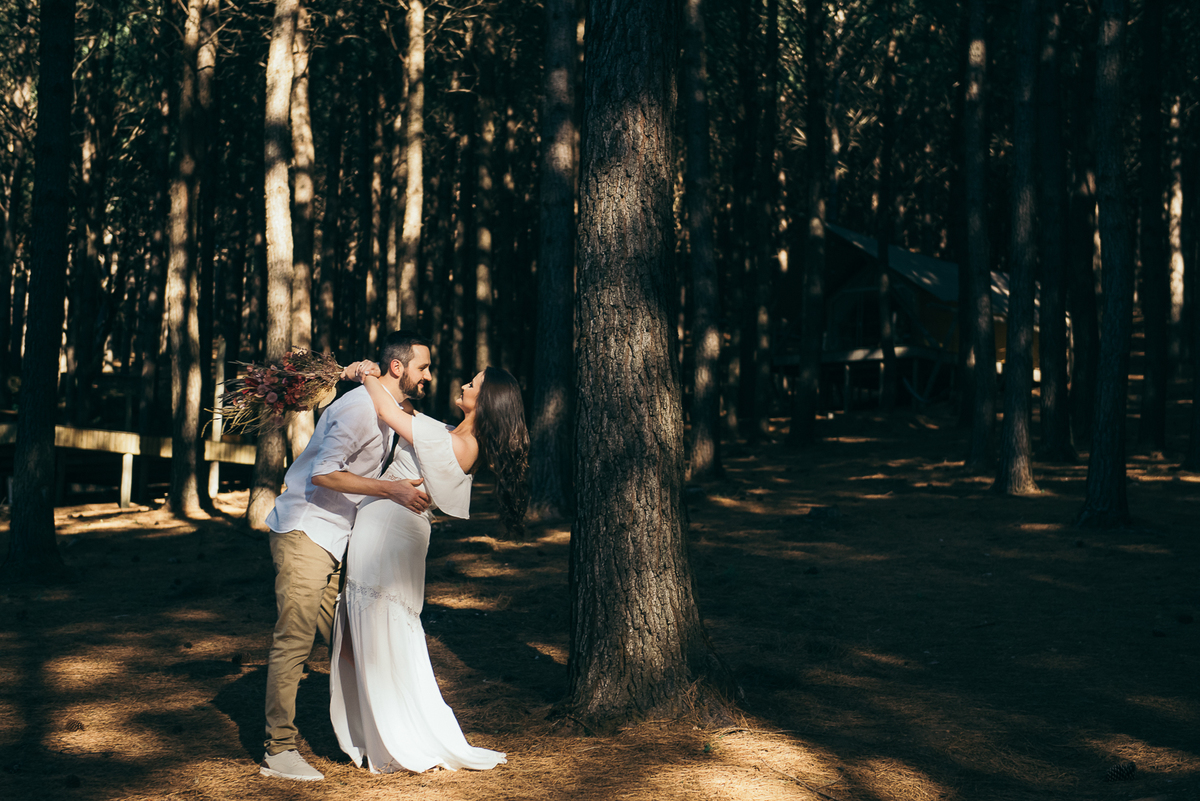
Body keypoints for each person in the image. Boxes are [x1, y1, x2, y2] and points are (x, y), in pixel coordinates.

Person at [328, 363, 529, 773]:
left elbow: (388, 412)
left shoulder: (459, 444)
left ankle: (394, 733)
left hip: (389, 532)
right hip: (389, 528)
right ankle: (378, 728)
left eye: (473, 383)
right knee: (366, 628)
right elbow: (400, 409)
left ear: (486, 400)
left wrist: (366, 373)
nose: (464, 384)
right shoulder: (451, 435)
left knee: (377, 626)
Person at [259, 331, 434, 782]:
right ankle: (278, 751)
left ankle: (376, 737)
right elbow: (322, 473)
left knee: (351, 644)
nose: (428, 376)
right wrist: (390, 490)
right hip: (305, 531)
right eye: (423, 368)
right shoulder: (359, 409)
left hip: (336, 542)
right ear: (398, 368)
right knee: (294, 640)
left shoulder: (387, 412)